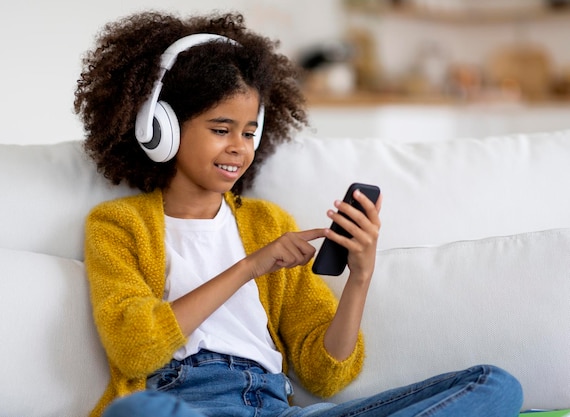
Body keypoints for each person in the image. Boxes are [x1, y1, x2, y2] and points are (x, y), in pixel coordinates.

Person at [74, 11, 523, 417]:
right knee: (138, 413)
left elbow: (325, 374)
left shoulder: (267, 224)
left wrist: (360, 277)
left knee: (496, 386)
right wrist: (251, 266)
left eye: (249, 132)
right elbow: (136, 349)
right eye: (220, 129)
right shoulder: (117, 225)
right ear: (160, 128)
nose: (238, 146)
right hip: (186, 403)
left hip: (273, 407)